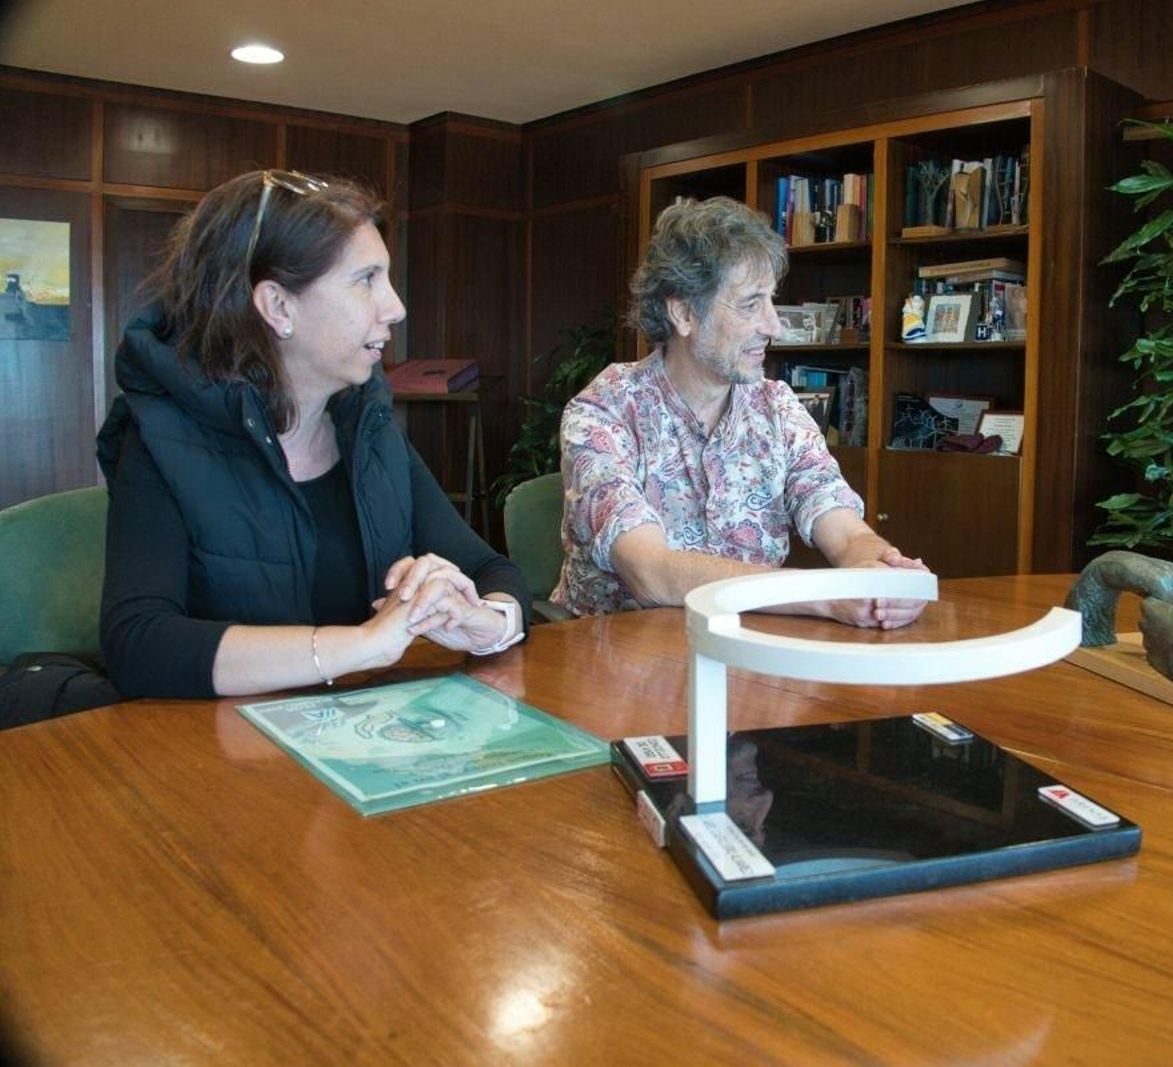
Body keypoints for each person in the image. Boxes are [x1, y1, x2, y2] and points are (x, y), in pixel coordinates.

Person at [98, 170, 533, 699]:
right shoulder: (161, 438)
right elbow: (139, 644)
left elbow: (489, 568)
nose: (395, 307)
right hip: (222, 758)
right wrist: (365, 644)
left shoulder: (366, 426)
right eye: (365, 279)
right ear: (279, 307)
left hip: (365, 736)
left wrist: (486, 624)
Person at [552, 196, 926, 627]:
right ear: (683, 312)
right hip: (615, 662)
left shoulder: (778, 408)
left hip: (748, 655)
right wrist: (823, 597)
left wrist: (882, 577)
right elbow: (649, 571)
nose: (774, 326)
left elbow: (846, 532)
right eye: (751, 304)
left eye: (771, 300)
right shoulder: (605, 411)